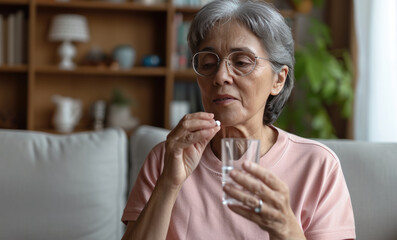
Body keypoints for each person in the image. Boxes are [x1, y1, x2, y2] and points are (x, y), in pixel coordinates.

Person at [121, 0, 355, 239]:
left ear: (278, 80)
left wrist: (287, 230)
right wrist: (168, 183)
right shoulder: (167, 158)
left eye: (242, 62)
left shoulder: (318, 166)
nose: (221, 76)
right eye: (208, 64)